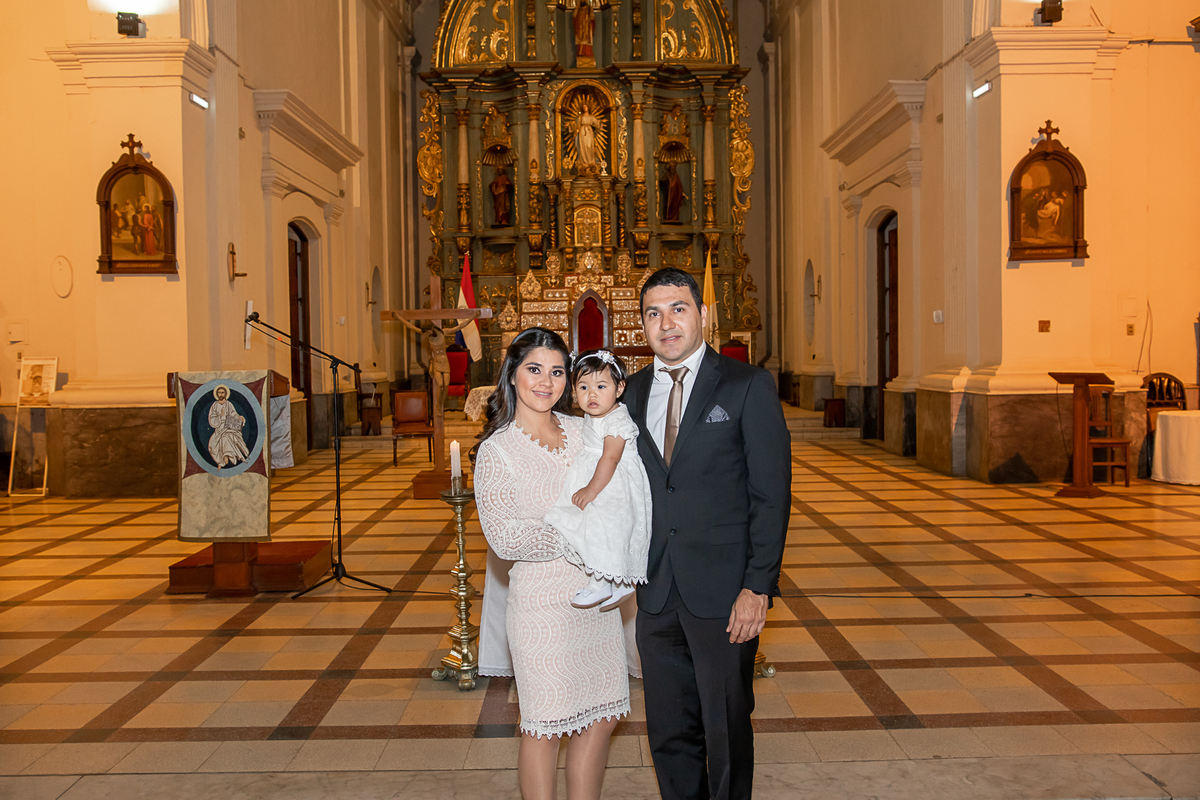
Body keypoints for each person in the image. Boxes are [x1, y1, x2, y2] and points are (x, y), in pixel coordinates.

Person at [624, 267, 791, 800]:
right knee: (668, 730)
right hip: (655, 590)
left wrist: (757, 586)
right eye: (653, 313)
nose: (666, 323)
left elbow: (771, 495)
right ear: (642, 324)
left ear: (701, 314)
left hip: (724, 592)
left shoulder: (746, 385)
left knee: (725, 728)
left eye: (678, 309)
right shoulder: (630, 393)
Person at [474, 328, 630, 800]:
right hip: (541, 605)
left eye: (557, 371)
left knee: (601, 719)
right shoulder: (497, 450)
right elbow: (505, 538)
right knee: (544, 725)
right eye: (534, 369)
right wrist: (578, 533)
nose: (546, 382)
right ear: (512, 374)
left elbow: (620, 490)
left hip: (595, 603)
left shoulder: (585, 429)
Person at [545, 349, 652, 610]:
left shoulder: (616, 420)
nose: (591, 395)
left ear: (619, 388)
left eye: (601, 386)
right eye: (583, 387)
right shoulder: (596, 415)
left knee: (602, 528)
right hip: (600, 476)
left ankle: (601, 581)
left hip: (613, 483)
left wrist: (592, 490)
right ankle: (620, 583)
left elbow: (611, 458)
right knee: (592, 525)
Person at [207, 386, 250, 468]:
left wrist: (239, 417)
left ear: (226, 394)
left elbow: (234, 414)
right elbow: (211, 419)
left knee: (226, 437)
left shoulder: (229, 404)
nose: (221, 394)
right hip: (219, 428)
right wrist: (220, 416)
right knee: (212, 446)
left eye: (222, 392)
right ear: (217, 394)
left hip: (228, 426)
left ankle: (226, 456)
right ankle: (221, 460)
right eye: (219, 393)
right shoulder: (214, 405)